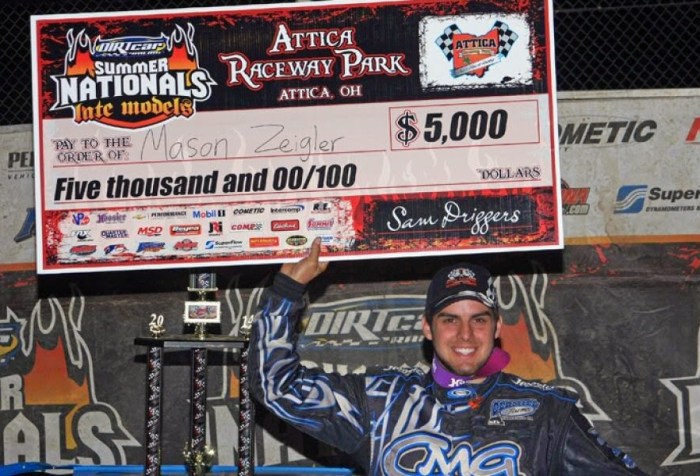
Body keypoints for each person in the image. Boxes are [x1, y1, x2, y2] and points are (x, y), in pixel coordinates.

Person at [249, 238, 647, 475]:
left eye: (479, 320)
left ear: (497, 327)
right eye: (449, 320)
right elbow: (275, 386)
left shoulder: (546, 412)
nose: (465, 335)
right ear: (428, 327)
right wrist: (287, 290)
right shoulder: (380, 401)